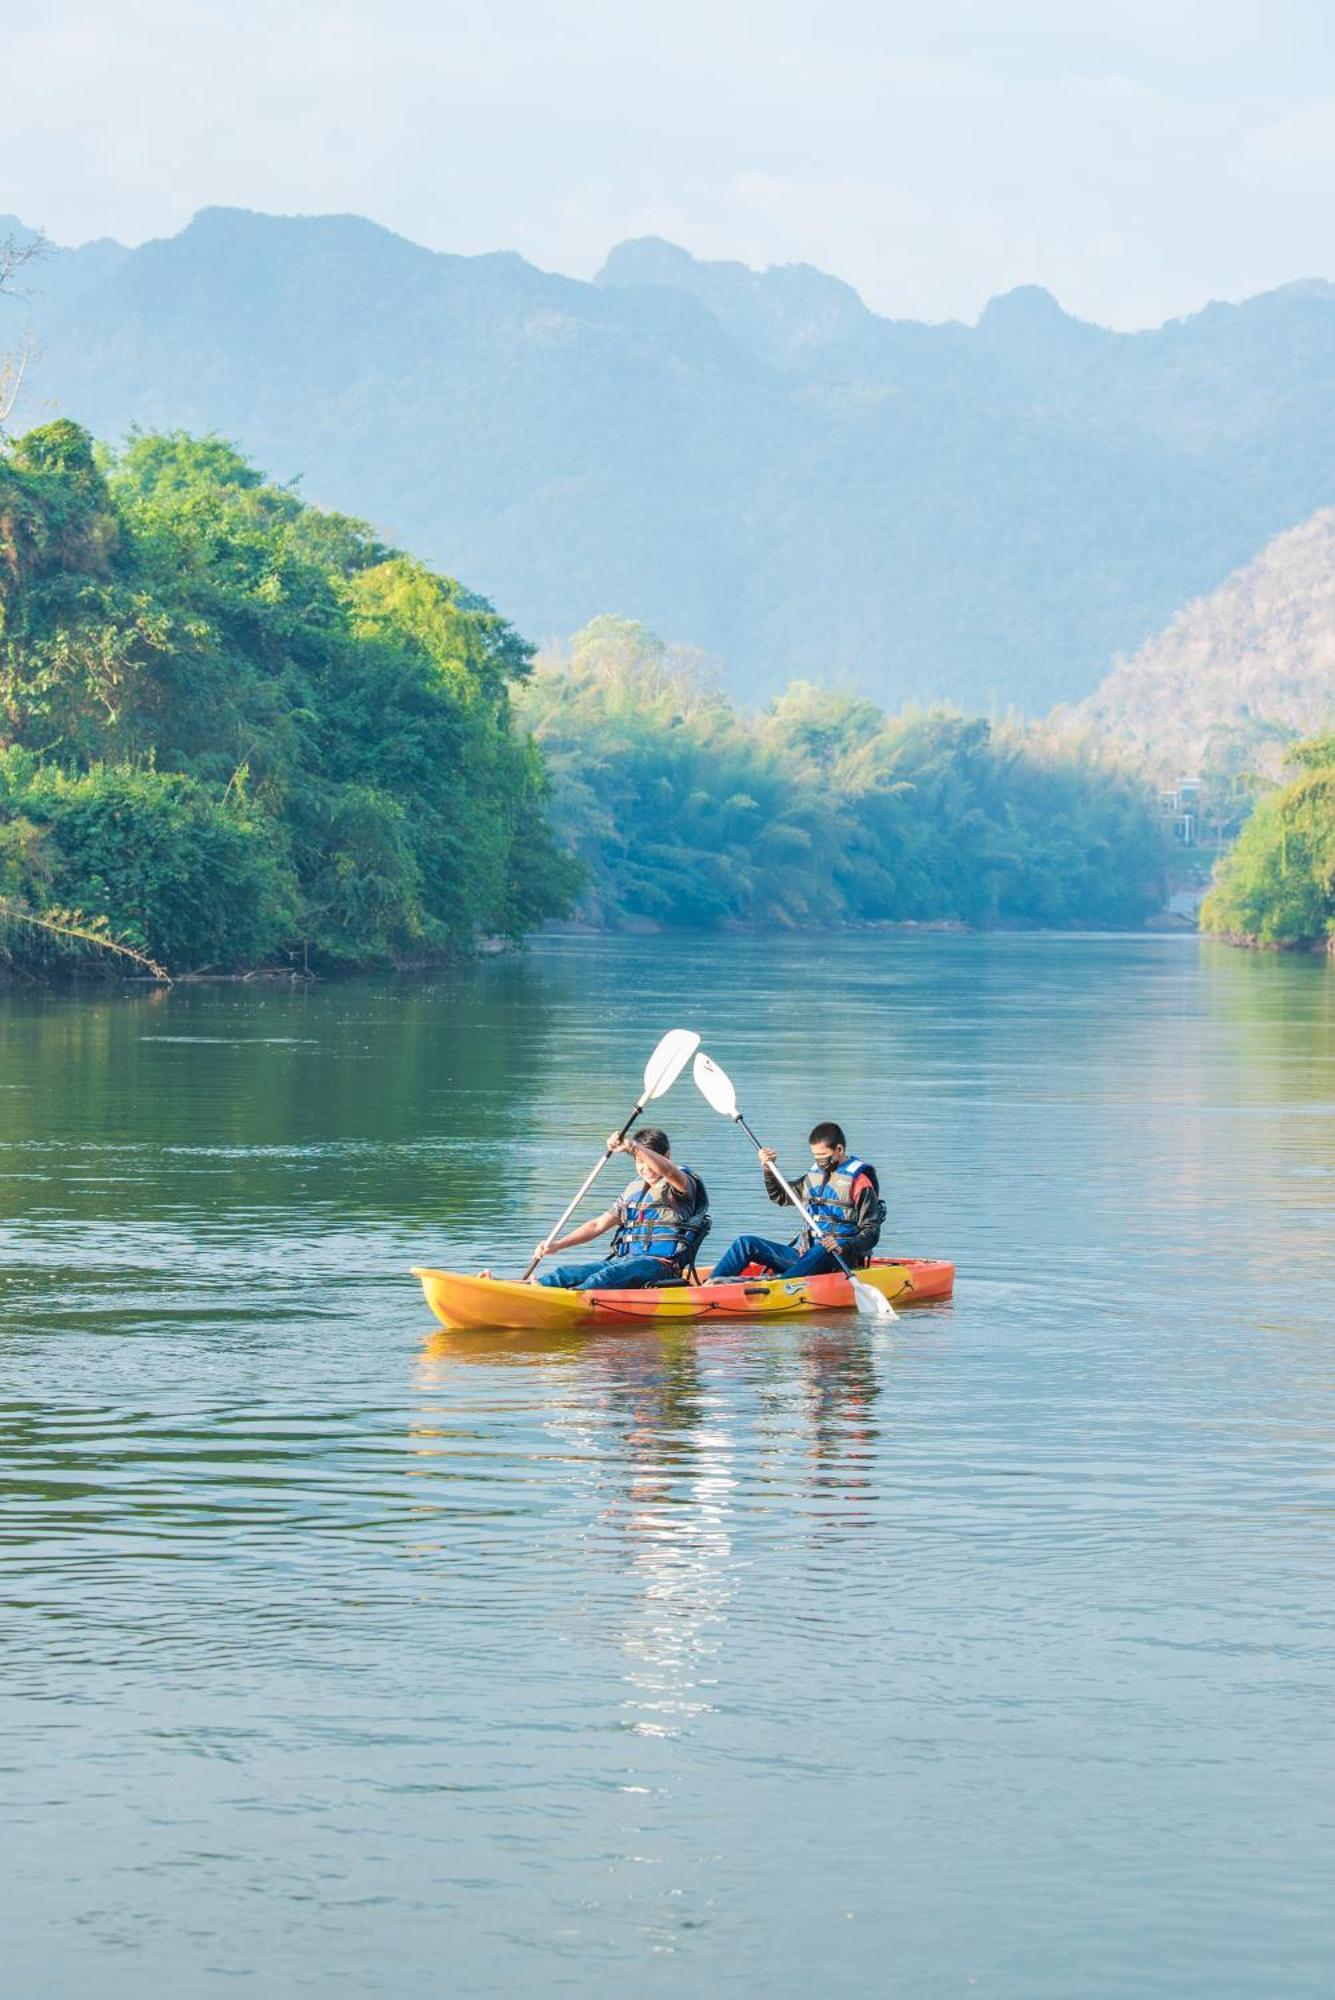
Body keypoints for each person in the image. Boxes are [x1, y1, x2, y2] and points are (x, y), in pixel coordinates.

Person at [533, 1128, 710, 1290]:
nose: (645, 1168)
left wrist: (632, 1146)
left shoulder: (682, 1185)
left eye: (650, 1162)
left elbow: (669, 1172)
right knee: (565, 1273)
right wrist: (558, 1245)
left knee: (606, 1277)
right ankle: (536, 1289)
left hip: (660, 1266)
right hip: (625, 1261)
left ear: (667, 1156)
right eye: (639, 1162)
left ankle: (571, 1299)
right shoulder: (634, 1191)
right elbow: (597, 1225)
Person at [708, 1121, 883, 1281]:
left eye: (823, 1155)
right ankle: (711, 1285)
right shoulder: (814, 1176)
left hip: (838, 1259)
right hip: (805, 1257)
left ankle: (781, 1286)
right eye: (815, 1156)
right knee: (745, 1243)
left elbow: (871, 1233)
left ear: (839, 1150)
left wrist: (843, 1245)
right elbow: (781, 1196)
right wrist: (769, 1170)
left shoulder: (860, 1183)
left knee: (822, 1249)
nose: (819, 1161)